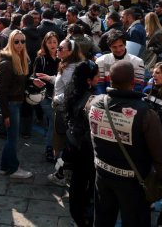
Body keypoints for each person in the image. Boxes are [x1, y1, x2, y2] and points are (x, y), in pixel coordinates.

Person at [88, 61, 162, 227]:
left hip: (102, 175)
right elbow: (161, 156)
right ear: (134, 82)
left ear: (110, 80)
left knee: (102, 220)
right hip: (133, 183)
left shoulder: (94, 104)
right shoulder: (146, 114)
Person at [0, 30, 44, 179]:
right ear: (11, 42)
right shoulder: (7, 62)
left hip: (17, 102)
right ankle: (12, 168)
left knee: (12, 138)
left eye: (22, 41)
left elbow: (20, 80)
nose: (19, 44)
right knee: (13, 138)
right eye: (16, 41)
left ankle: (5, 167)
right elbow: (2, 91)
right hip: (11, 104)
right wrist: (4, 114)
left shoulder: (21, 58)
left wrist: (32, 81)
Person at [37, 39, 84, 186]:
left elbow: (72, 92)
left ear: (70, 52)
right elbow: (61, 83)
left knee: (62, 144)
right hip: (61, 109)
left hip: (64, 111)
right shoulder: (67, 65)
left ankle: (62, 175)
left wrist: (56, 100)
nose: (57, 49)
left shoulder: (71, 69)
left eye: (61, 48)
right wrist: (49, 78)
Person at [65, 60, 99, 227]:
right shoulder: (91, 99)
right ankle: (82, 216)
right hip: (86, 147)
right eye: (97, 75)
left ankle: (76, 214)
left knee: (77, 181)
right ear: (88, 80)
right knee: (85, 182)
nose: (99, 78)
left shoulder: (72, 90)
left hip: (73, 143)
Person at [32, 31, 61, 163]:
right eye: (49, 42)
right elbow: (35, 76)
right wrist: (46, 81)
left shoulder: (62, 57)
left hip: (59, 95)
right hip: (45, 95)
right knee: (54, 122)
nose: (52, 45)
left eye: (54, 42)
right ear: (45, 43)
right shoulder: (41, 58)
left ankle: (52, 148)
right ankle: (51, 148)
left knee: (52, 123)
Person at [96, 29, 145, 94]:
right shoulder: (101, 61)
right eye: (114, 47)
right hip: (107, 100)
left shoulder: (138, 62)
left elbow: (138, 87)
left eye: (120, 46)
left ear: (125, 44)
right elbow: (99, 85)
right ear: (109, 47)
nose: (118, 50)